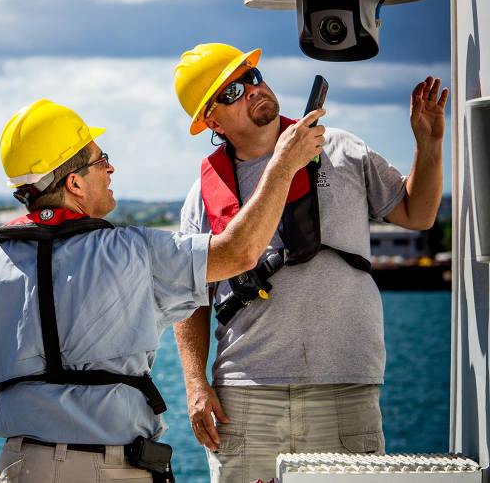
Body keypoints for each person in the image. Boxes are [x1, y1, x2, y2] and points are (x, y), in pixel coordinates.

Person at [0, 97, 324, 483]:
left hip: (19, 467)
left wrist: (26, 392)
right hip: (111, 467)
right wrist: (284, 164)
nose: (111, 168)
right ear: (75, 182)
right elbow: (240, 252)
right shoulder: (134, 251)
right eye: (101, 160)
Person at [172, 43, 448, 483]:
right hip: (244, 397)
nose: (251, 91)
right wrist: (194, 385)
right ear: (212, 122)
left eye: (252, 77)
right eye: (230, 93)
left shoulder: (342, 149)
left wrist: (429, 144)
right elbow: (188, 299)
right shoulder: (202, 196)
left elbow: (418, 214)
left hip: (345, 383)